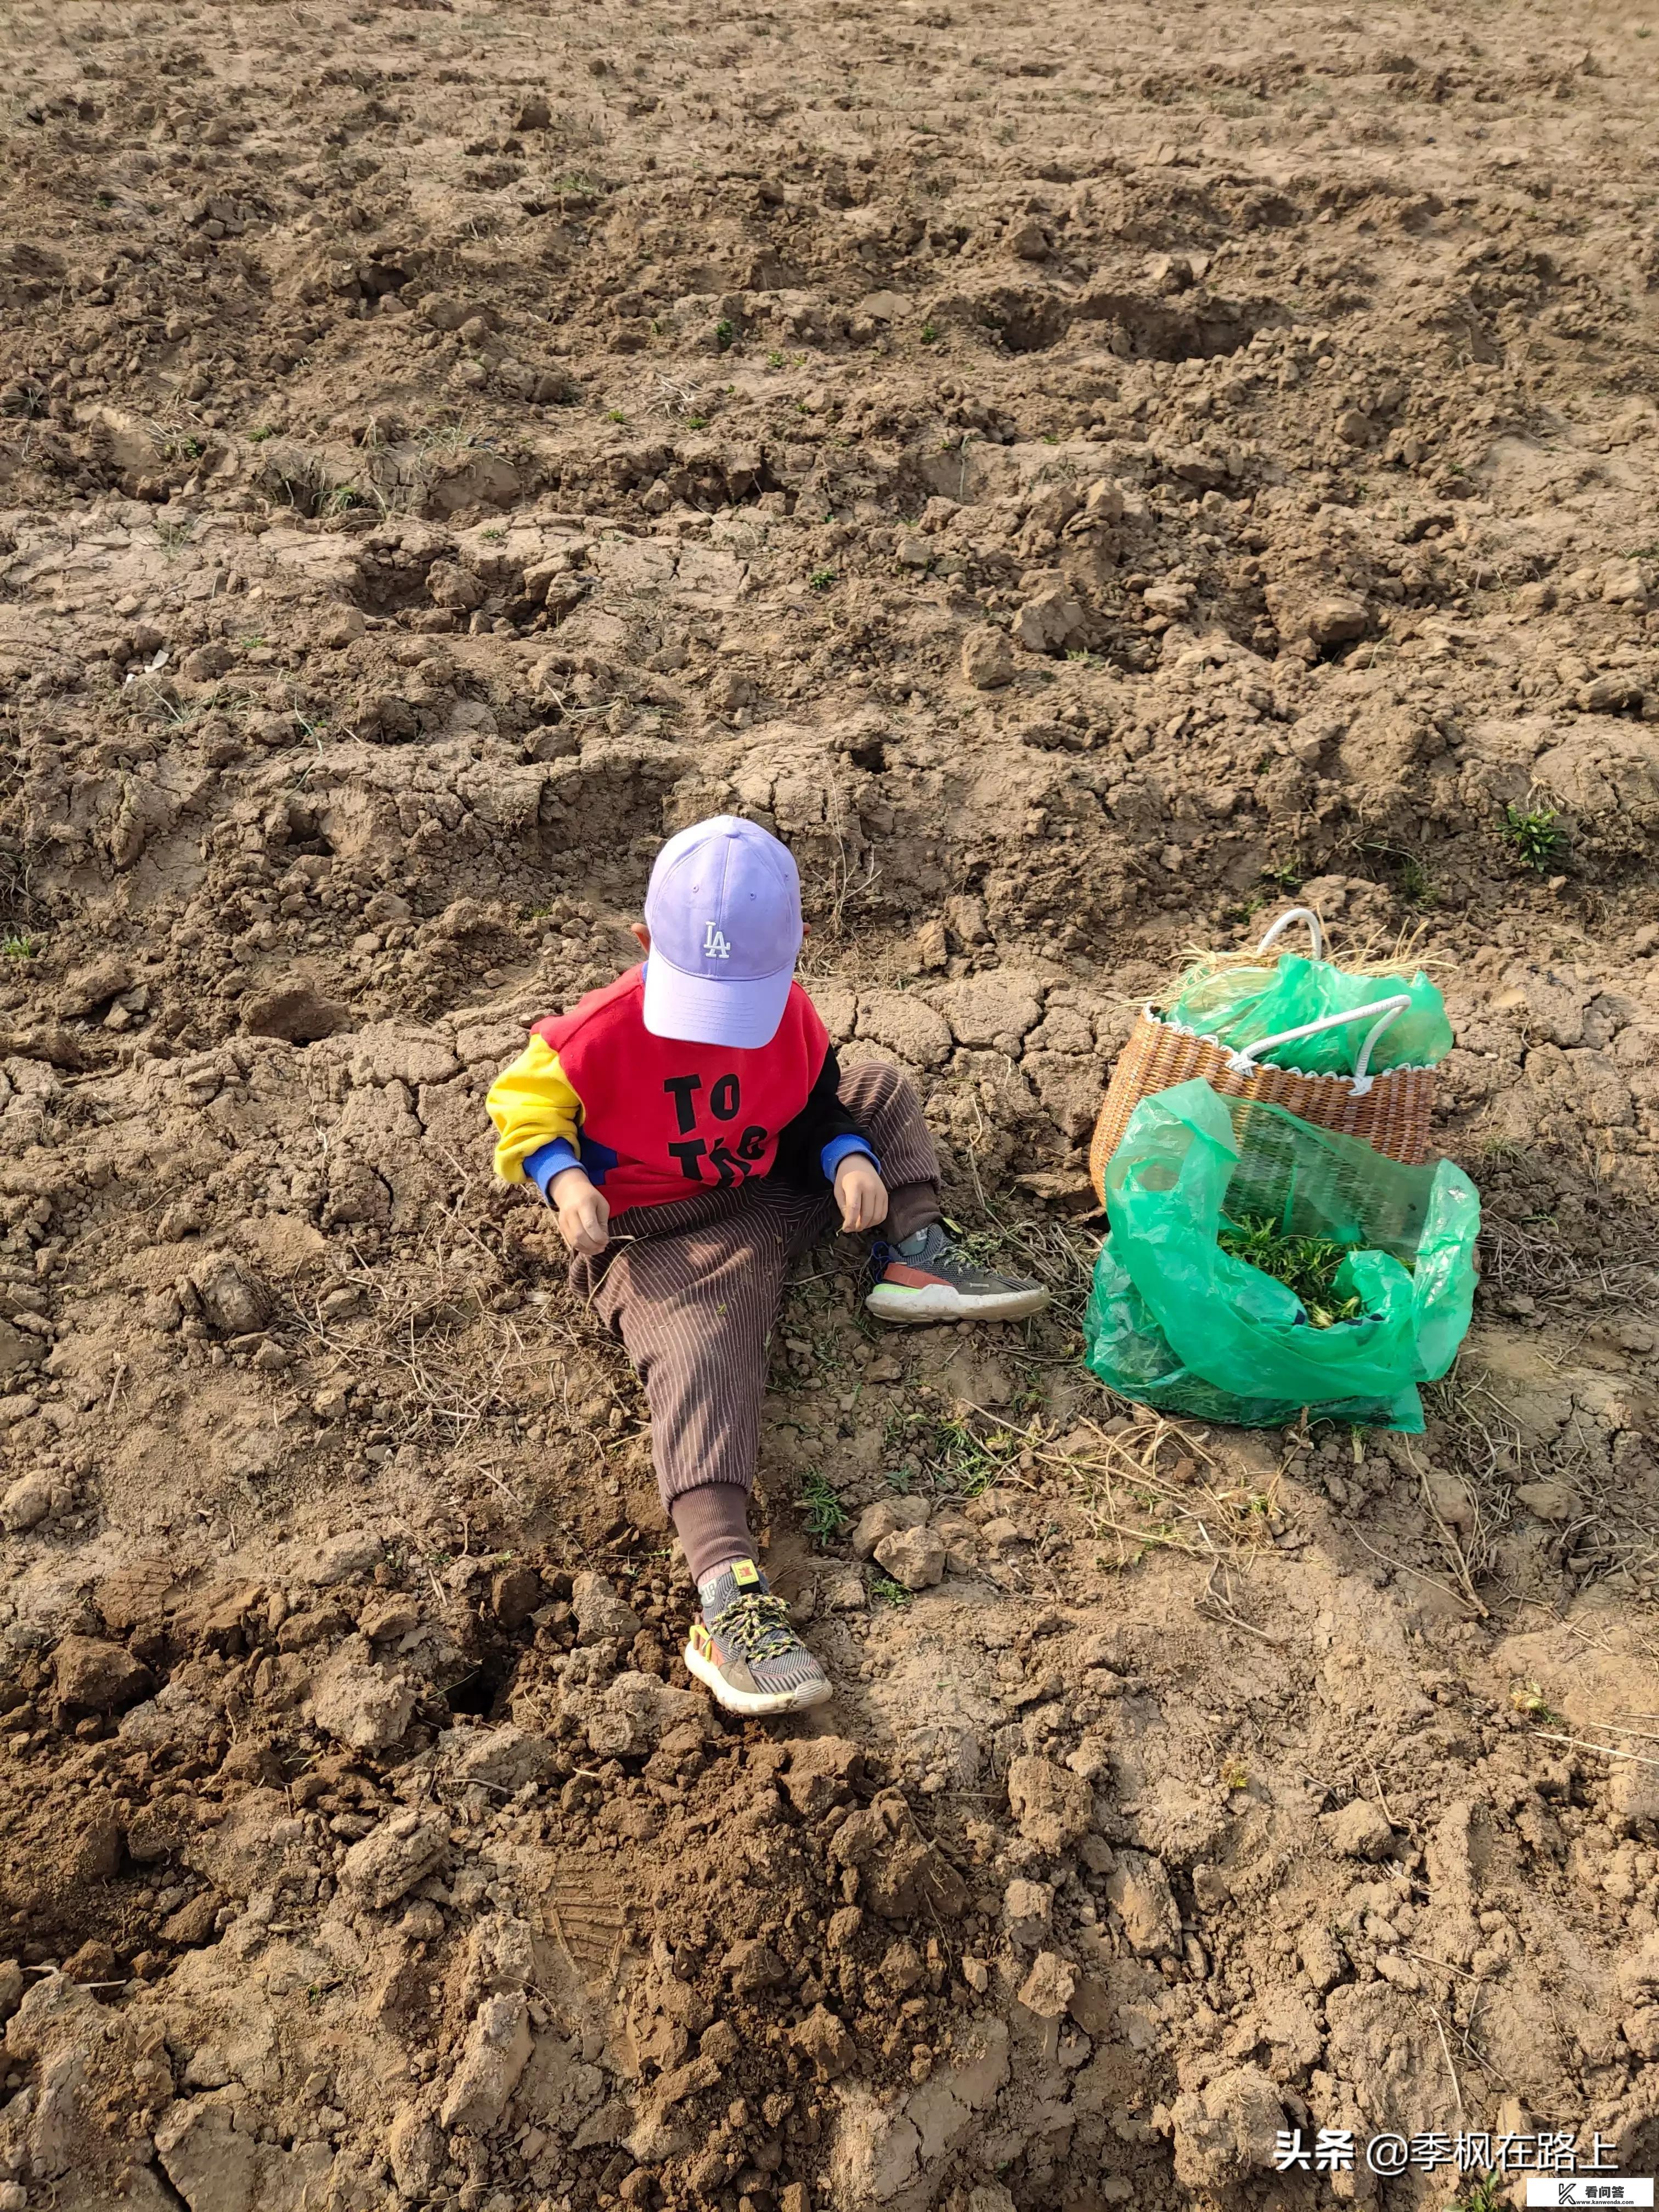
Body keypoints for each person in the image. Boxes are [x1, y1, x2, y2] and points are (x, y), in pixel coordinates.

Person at [487, 816, 1047, 1716]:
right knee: (704, 1342)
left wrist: (847, 1158)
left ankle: (912, 1256)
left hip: (765, 1185)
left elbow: (821, 1100)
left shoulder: (791, 1010)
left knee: (881, 1091)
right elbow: (524, 1109)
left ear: (799, 951)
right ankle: (727, 1593)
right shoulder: (592, 1034)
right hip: (663, 1230)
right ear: (644, 945)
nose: (720, 1031)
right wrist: (563, 1183)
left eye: (738, 1004)